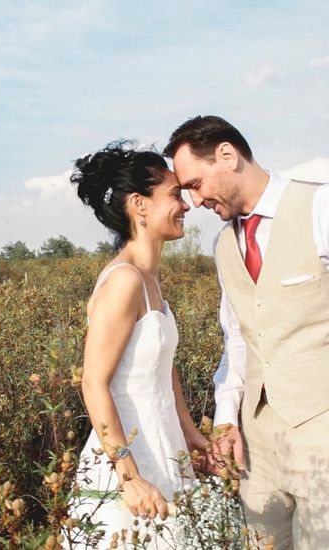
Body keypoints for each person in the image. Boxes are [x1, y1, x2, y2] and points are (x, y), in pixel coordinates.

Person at [164, 116, 329, 549]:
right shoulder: (224, 244)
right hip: (257, 440)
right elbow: (239, 337)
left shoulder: (326, 208)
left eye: (196, 182)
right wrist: (226, 418)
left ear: (228, 155)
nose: (195, 199)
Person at [65, 141, 211, 548]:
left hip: (164, 448)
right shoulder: (125, 281)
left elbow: (164, 368)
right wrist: (128, 478)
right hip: (128, 462)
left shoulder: (151, 281)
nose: (186, 205)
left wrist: (190, 433)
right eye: (174, 194)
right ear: (139, 205)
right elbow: (94, 383)